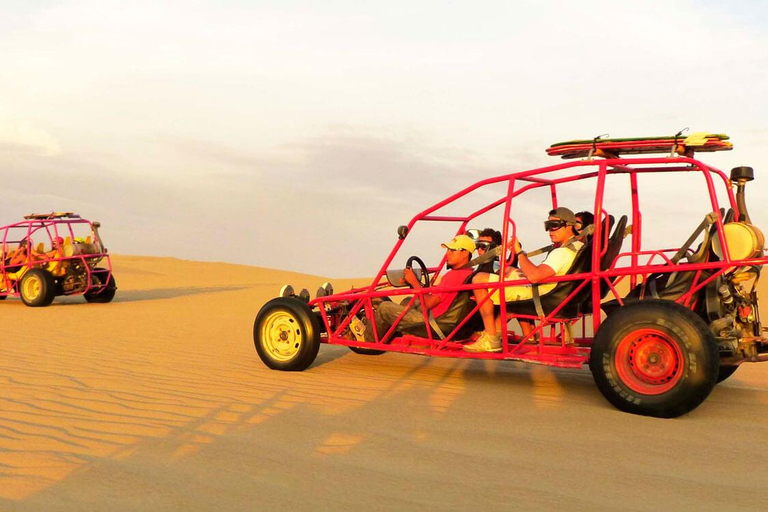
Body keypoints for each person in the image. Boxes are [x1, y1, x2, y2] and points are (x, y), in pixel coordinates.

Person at [464, 207, 583, 352]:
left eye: (554, 226)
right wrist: (520, 268)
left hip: (542, 297)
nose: (550, 231)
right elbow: (544, 272)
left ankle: (491, 338)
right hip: (554, 291)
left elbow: (534, 276)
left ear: (569, 226)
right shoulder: (578, 247)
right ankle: (523, 334)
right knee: (511, 271)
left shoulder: (562, 252)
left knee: (479, 279)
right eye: (547, 226)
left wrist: (519, 252)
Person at [363, 234, 476, 342]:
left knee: (384, 308)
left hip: (435, 324)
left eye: (452, 250)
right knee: (408, 301)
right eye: (447, 250)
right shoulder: (469, 273)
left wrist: (414, 282)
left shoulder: (453, 276)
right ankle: (391, 332)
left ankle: (368, 339)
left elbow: (429, 303)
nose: (447, 254)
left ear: (465, 253)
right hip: (447, 320)